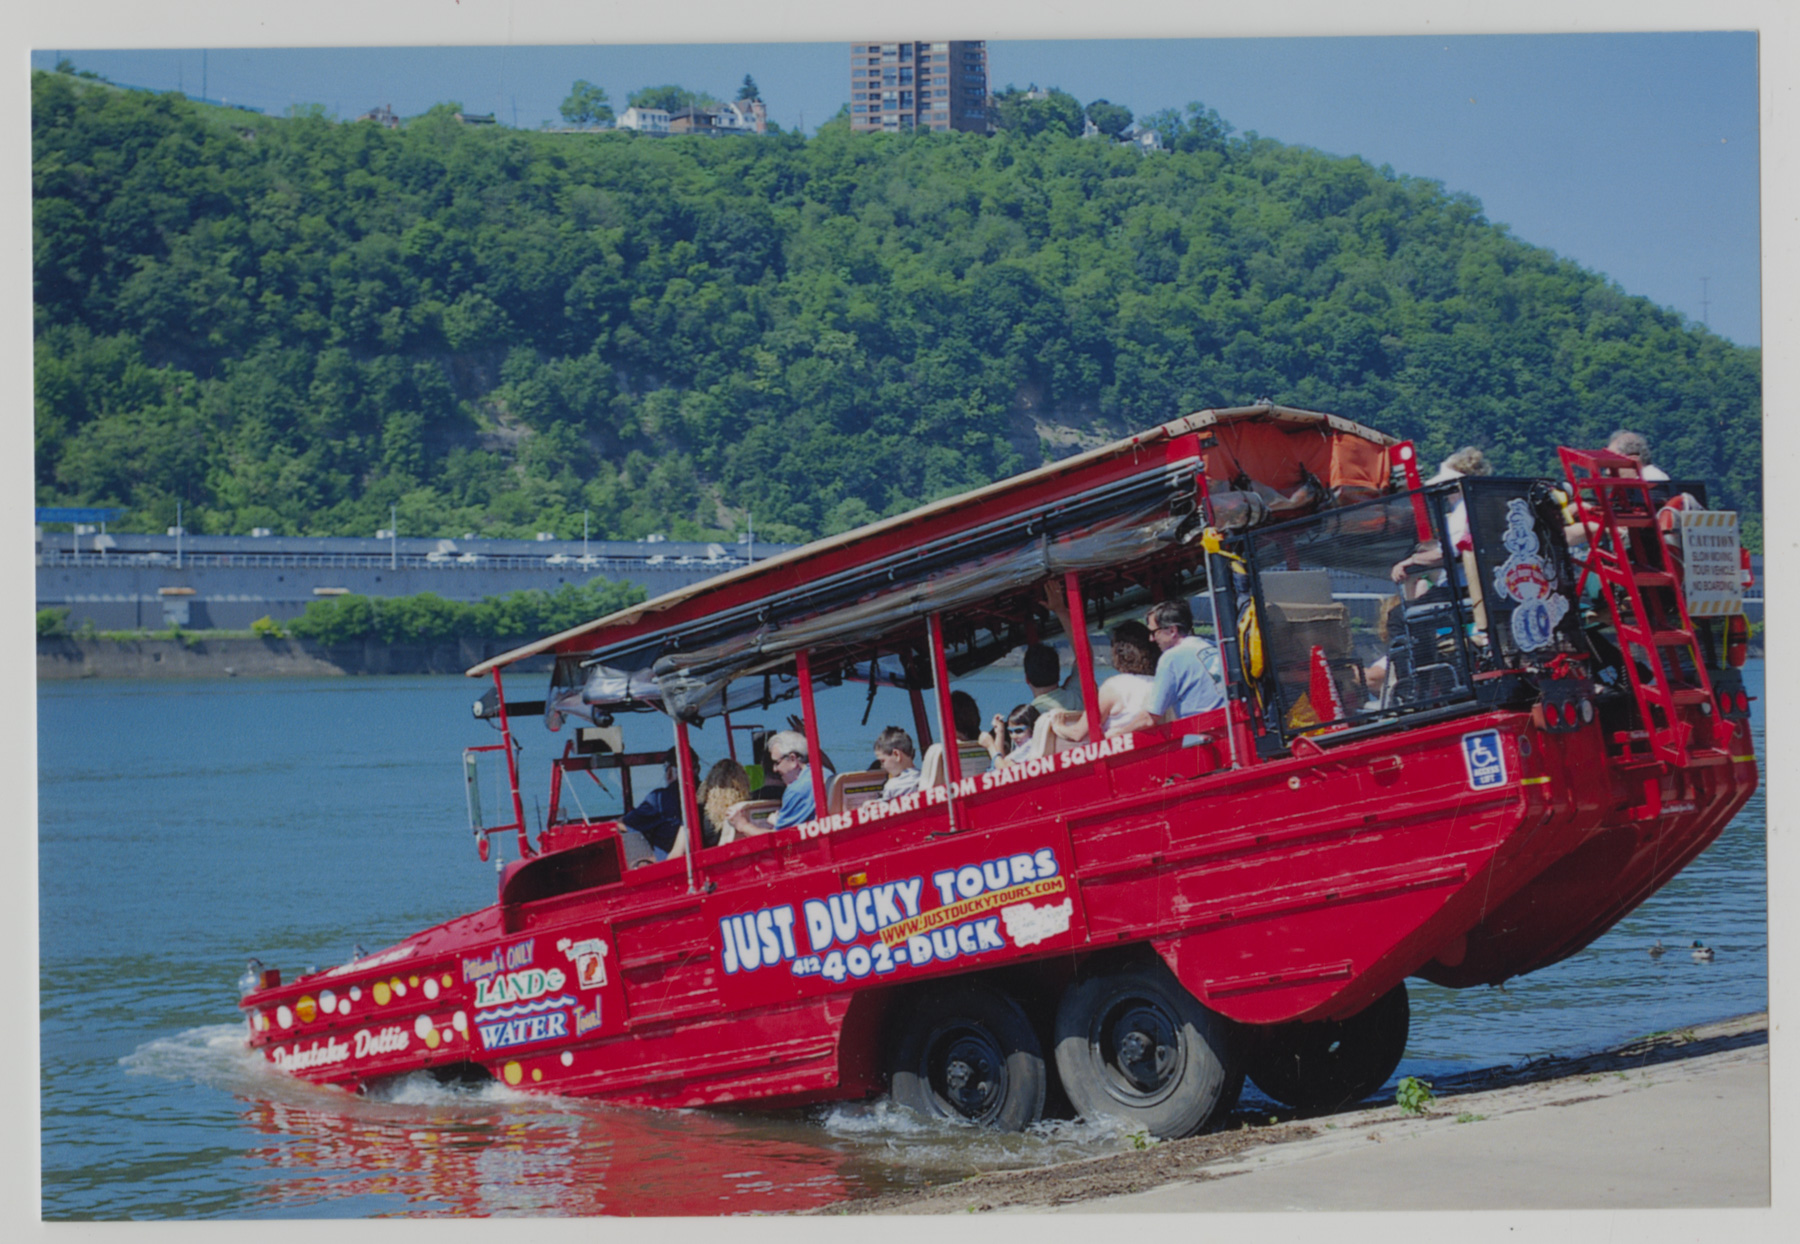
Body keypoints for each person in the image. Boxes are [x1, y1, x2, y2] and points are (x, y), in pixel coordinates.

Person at [1114, 600, 1224, 733]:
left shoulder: (1171, 657)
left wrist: (1117, 734)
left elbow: (1150, 718)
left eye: (1154, 632)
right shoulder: (1213, 646)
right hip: (1227, 724)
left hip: (1204, 732)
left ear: (1172, 631)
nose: (1151, 639)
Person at [1391, 446, 1491, 584]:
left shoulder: (1462, 511)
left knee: (1416, 605)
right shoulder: (1483, 506)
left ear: (1455, 486)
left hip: (1464, 586)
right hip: (1485, 581)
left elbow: (1446, 553)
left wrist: (1409, 561)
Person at [1048, 621, 1159, 743]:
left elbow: (1078, 733)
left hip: (1122, 757)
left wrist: (1058, 725)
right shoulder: (1159, 683)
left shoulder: (1114, 687)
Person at [729, 729, 833, 835]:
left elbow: (779, 840)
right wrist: (780, 821)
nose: (775, 769)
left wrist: (742, 825)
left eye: (776, 762)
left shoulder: (796, 791)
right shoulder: (824, 773)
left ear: (792, 759)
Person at [619, 747, 695, 862]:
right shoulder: (704, 793)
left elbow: (624, 825)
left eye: (665, 768)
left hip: (667, 869)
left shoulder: (660, 799)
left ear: (670, 771)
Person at [668, 758, 750, 859]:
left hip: (712, 868)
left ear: (710, 783)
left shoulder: (696, 813)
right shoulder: (748, 810)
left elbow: (677, 853)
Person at [1023, 642, 1081, 714]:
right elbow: (1084, 656)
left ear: (1027, 679)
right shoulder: (1078, 695)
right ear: (1059, 674)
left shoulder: (1031, 717)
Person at [873, 726, 921, 798]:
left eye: (882, 761)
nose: (882, 766)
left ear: (897, 755)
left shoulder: (892, 786)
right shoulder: (923, 777)